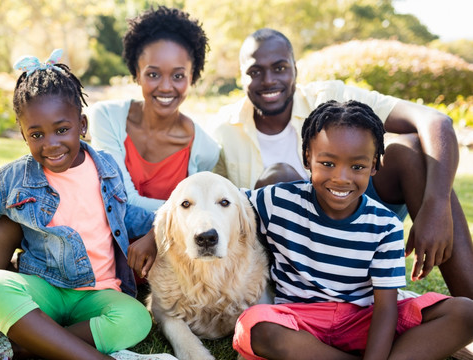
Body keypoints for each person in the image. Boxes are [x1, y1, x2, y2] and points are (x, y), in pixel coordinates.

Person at [0, 49, 175, 360]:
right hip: (44, 291)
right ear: (23, 135)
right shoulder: (13, 179)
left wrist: (154, 234)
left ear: (82, 124)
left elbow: (132, 216)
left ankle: (31, 346)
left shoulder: (106, 169)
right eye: (37, 134)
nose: (51, 144)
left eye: (62, 130)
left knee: (137, 318)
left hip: (99, 295)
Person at [212, 28, 473, 298]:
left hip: (355, 223)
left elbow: (435, 121)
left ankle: (470, 306)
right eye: (255, 71)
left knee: (408, 150)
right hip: (292, 254)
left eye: (279, 68)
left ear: (295, 68)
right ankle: (323, 299)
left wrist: (436, 206)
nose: (268, 80)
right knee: (278, 179)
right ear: (240, 76)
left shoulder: (329, 98)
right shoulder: (223, 130)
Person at [232, 100, 473, 360]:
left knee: (466, 313)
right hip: (300, 324)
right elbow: (225, 203)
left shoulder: (385, 226)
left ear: (374, 166)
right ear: (307, 158)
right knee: (254, 326)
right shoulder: (276, 201)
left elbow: (385, 310)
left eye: (357, 167)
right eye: (327, 163)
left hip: (362, 321)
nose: (341, 177)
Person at [88, 6, 219, 213]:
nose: (166, 87)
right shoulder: (106, 118)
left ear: (192, 77)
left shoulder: (205, 150)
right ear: (136, 73)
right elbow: (122, 199)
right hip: (107, 244)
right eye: (153, 75)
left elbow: (200, 215)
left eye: (178, 76)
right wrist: (185, 208)